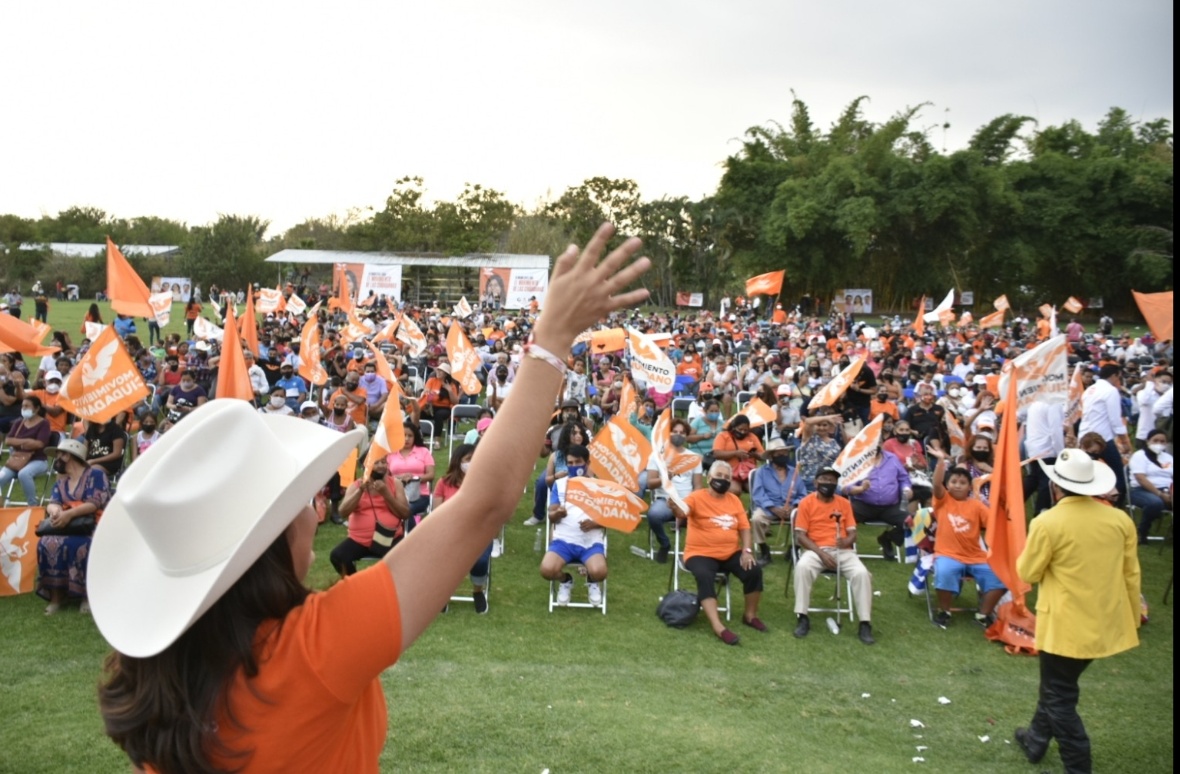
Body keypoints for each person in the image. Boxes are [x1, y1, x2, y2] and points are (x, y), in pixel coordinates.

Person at [89, 222, 650, 771]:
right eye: (301, 501)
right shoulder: (311, 653)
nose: (316, 509)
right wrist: (551, 340)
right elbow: (485, 502)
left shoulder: (154, 689)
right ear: (269, 545)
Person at [1014, 449, 1140, 773]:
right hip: (1104, 620)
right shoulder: (1120, 520)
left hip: (1065, 624)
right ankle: (1035, 739)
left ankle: (1078, 764)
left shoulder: (1047, 521)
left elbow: (1028, 572)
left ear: (1056, 487)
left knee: (1059, 695)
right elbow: (1131, 574)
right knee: (1058, 686)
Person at [670, 460, 766, 645]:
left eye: (727, 477)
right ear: (709, 478)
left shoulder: (734, 500)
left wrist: (747, 551)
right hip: (700, 553)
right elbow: (682, 512)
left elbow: (744, 528)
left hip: (730, 553)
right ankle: (718, 626)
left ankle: (750, 615)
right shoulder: (696, 497)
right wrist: (674, 506)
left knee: (754, 570)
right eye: (719, 476)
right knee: (704, 576)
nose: (723, 480)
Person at [791, 467, 875, 645]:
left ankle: (865, 623)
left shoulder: (844, 503)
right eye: (824, 479)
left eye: (832, 481)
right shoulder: (806, 503)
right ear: (815, 483)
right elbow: (800, 536)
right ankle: (802, 616)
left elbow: (853, 532)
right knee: (802, 567)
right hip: (815, 550)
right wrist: (821, 554)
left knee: (861, 574)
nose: (828, 483)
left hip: (843, 551)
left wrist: (846, 541)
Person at [926, 450, 1006, 629]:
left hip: (976, 556)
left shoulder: (977, 506)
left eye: (962, 483)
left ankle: (983, 615)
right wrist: (940, 462)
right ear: (947, 484)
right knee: (945, 572)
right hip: (947, 554)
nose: (957, 485)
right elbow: (936, 484)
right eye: (953, 482)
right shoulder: (943, 501)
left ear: (970, 487)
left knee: (1001, 578)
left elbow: (993, 525)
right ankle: (944, 611)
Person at [37, 437, 111, 614]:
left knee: (81, 545)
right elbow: (53, 502)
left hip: (92, 527)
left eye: (59, 455)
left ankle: (87, 595)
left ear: (68, 456)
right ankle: (56, 597)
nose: (56, 460)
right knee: (45, 543)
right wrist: (55, 511)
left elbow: (94, 503)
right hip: (67, 527)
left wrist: (69, 514)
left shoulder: (96, 475)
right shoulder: (61, 482)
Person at [540, 445, 607, 607]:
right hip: (563, 541)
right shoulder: (560, 484)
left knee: (600, 572)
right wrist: (557, 514)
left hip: (590, 542)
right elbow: (551, 515)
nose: (573, 466)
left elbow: (610, 518)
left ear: (587, 463)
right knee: (546, 571)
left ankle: (592, 580)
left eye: (577, 462)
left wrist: (595, 523)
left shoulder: (599, 487)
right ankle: (566, 580)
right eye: (569, 463)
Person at [432, 444, 491, 613]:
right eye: (467, 460)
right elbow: (437, 513)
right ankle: (443, 593)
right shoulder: (444, 483)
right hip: (450, 533)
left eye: (474, 459)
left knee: (479, 560)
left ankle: (478, 591)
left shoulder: (484, 483)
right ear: (458, 462)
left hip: (478, 533)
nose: (471, 463)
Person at [329, 457, 409, 577]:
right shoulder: (356, 486)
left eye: (383, 462)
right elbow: (343, 512)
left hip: (389, 538)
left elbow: (405, 514)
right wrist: (360, 491)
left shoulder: (395, 484)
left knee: (402, 560)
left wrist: (386, 494)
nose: (381, 466)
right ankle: (356, 586)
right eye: (376, 462)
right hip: (359, 540)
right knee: (337, 556)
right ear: (365, 466)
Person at [644, 416, 702, 563]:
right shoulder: (656, 456)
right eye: (674, 431)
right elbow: (650, 484)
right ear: (668, 434)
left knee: (705, 517)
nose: (678, 435)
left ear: (686, 436)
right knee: (653, 515)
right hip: (666, 500)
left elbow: (698, 486)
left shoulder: (694, 457)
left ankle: (698, 551)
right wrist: (665, 477)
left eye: (682, 432)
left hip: (688, 500)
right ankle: (665, 544)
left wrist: (692, 505)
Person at [1078, 363, 1131, 505]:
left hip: (1085, 437)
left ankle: (1089, 504)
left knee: (1088, 475)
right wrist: (1124, 441)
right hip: (1102, 439)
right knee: (1117, 475)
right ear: (1114, 376)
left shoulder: (1089, 390)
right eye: (1118, 377)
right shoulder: (1110, 391)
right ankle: (1116, 506)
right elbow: (1115, 419)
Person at [749, 438, 806, 565]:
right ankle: (764, 551)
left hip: (791, 508)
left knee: (802, 517)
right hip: (768, 508)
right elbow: (758, 494)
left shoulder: (794, 472)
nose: (783, 456)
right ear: (771, 455)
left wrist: (794, 506)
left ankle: (794, 549)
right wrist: (773, 508)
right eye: (779, 453)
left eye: (785, 453)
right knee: (757, 518)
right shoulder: (761, 472)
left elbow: (803, 494)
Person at [0, 396, 53, 505]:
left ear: (37, 408)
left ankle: (33, 506)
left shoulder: (44, 424)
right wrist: (27, 442)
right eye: (22, 406)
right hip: (17, 461)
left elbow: (39, 444)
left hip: (38, 461)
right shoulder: (19, 422)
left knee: (24, 474)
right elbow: (8, 441)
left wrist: (18, 442)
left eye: (27, 406)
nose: (23, 408)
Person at [1128, 429, 1173, 543]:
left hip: (1167, 489)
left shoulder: (1168, 458)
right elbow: (1141, 478)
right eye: (1155, 440)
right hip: (1141, 490)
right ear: (1148, 441)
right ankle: (1142, 532)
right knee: (1155, 503)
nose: (1159, 443)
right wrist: (1160, 494)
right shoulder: (1139, 456)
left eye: (1163, 441)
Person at [387, 421, 435, 525]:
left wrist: (414, 478)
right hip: (395, 494)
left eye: (410, 436)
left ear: (415, 437)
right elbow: (386, 476)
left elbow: (431, 475)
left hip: (419, 495)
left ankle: (409, 537)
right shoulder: (391, 453)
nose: (407, 439)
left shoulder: (423, 451)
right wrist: (399, 478)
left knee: (406, 509)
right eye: (403, 435)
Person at [711, 413, 764, 494]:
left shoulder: (752, 436)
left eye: (746, 430)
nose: (743, 432)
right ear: (733, 427)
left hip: (748, 472)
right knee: (735, 490)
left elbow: (763, 456)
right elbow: (716, 454)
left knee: (756, 488)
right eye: (740, 429)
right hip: (729, 472)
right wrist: (735, 453)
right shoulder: (723, 436)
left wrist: (754, 454)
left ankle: (755, 506)